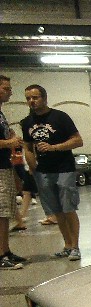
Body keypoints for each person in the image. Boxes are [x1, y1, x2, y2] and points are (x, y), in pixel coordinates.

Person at [21, 84, 83, 261]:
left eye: (35, 97)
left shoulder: (60, 117)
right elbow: (28, 146)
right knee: (57, 211)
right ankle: (67, 245)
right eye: (28, 98)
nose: (32, 101)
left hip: (64, 168)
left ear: (44, 98)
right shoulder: (27, 122)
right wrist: (32, 165)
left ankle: (75, 246)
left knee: (68, 208)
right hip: (43, 172)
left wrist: (54, 147)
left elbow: (78, 141)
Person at [0, 74, 27, 270]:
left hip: (5, 166)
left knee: (6, 211)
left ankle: (6, 251)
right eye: (6, 89)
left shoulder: (1, 114)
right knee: (1, 212)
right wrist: (9, 142)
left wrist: (11, 138)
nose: (10, 92)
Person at [11, 138, 37, 230]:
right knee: (26, 191)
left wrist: (32, 165)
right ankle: (21, 217)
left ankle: (53, 215)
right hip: (28, 166)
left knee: (43, 190)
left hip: (32, 166)